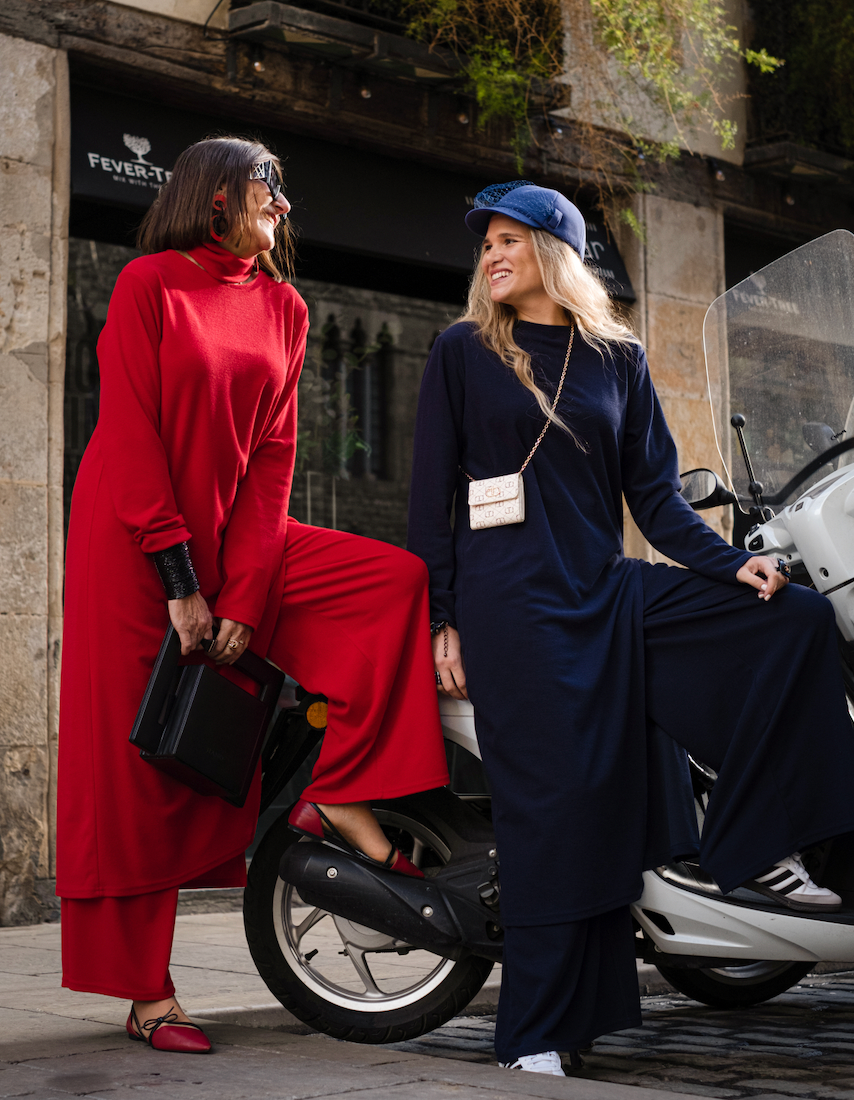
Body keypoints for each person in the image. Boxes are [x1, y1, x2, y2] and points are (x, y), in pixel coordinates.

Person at [407, 181, 854, 1076]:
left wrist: (733, 564)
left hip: (608, 592)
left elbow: (655, 500)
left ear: (555, 252)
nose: (490, 255)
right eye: (484, 243)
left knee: (793, 619)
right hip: (514, 614)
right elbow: (432, 503)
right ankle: (537, 1031)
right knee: (555, 816)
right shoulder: (461, 352)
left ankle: (774, 844)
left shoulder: (618, 358)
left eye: (507, 240)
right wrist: (442, 621)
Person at [57, 137, 448, 1055]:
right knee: (138, 770)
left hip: (240, 538)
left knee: (391, 581)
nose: (283, 207)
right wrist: (181, 583)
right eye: (271, 190)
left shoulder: (286, 307)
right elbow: (132, 435)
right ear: (220, 196)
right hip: (133, 545)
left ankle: (344, 793)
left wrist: (246, 586)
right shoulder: (149, 284)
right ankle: (148, 993)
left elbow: (274, 458)